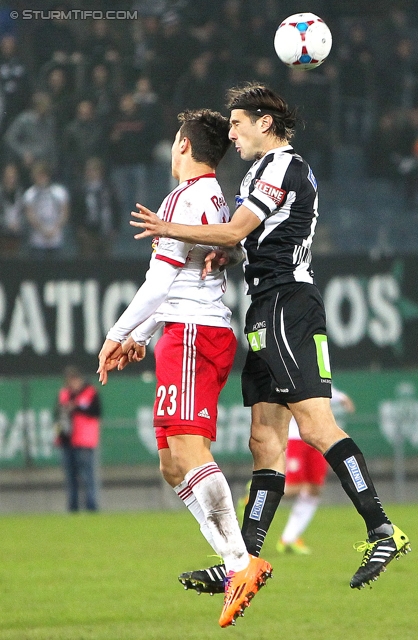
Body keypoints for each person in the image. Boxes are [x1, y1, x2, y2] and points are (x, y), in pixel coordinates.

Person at [129, 82, 411, 592]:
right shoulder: (263, 172)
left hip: (287, 304)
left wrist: (173, 229)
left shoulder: (281, 166)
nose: (231, 133)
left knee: (317, 425)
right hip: (266, 306)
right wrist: (230, 253)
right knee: (265, 441)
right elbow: (249, 238)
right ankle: (244, 564)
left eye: (237, 123)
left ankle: (382, 528)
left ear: (264, 122)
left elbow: (236, 229)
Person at [96, 109, 272, 628]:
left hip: (195, 334)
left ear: (182, 146)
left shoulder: (183, 198)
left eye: (175, 139)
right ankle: (235, 562)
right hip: (185, 332)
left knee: (191, 452)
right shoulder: (216, 196)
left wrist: (117, 335)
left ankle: (241, 563)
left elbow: (159, 282)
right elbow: (181, 280)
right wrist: (144, 336)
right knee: (173, 464)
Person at [277, 387, 356, 555]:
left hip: (319, 437)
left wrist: (341, 397)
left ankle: (289, 538)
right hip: (296, 437)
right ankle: (256, 494)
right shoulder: (291, 368)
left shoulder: (317, 366)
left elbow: (323, 387)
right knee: (293, 487)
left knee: (314, 489)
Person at [54, 365, 101, 512]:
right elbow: (56, 414)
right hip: (67, 440)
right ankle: (73, 506)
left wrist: (77, 407)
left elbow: (96, 412)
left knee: (88, 476)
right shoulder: (64, 394)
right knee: (71, 477)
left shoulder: (90, 392)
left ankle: (91, 505)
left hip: (85, 440)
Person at [23, 160, 69, 259]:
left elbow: (64, 213)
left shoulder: (59, 192)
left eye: (42, 175)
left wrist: (55, 229)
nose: (40, 178)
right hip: (37, 240)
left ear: (47, 176)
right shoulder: (29, 194)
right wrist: (43, 231)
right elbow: (30, 215)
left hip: (56, 238)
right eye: (37, 175)